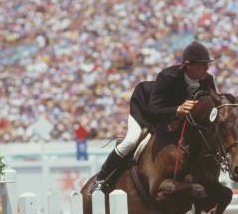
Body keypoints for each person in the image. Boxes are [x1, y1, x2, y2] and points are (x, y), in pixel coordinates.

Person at [92, 41, 218, 192]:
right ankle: (101, 178)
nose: (207, 68)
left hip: (174, 119)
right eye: (202, 65)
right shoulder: (167, 77)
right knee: (131, 140)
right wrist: (177, 110)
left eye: (207, 64)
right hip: (145, 107)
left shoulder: (207, 80)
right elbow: (153, 111)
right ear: (188, 65)